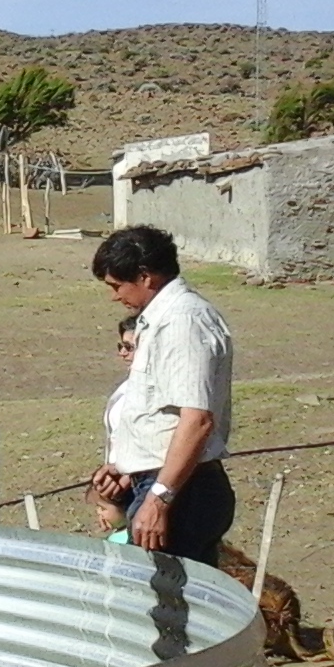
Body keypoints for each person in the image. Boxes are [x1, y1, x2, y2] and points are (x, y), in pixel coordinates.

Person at [89, 226, 236, 565]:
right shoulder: (158, 321)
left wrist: (159, 498)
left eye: (116, 286)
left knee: (167, 608)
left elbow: (197, 420)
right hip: (166, 484)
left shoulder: (183, 322)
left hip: (183, 492)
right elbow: (161, 414)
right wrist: (127, 464)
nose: (114, 296)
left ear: (145, 277)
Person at [90, 316, 141, 534]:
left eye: (129, 347)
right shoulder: (127, 388)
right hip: (121, 485)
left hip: (140, 484)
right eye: (121, 346)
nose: (122, 353)